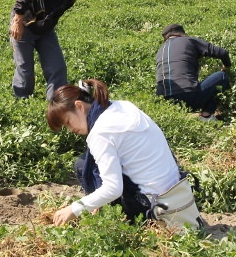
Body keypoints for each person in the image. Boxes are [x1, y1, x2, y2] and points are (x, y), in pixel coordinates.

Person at [46, 79, 203, 232]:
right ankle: (100, 206)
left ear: (79, 106)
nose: (70, 129)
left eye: (68, 122)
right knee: (89, 162)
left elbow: (113, 188)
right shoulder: (121, 106)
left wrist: (75, 208)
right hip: (176, 193)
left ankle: (116, 221)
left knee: (82, 166)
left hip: (154, 207)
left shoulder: (101, 132)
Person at [10, 0, 106, 100]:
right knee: (25, 71)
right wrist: (17, 20)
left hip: (45, 28)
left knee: (57, 68)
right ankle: (21, 104)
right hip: (25, 23)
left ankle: (57, 106)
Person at [156, 23, 231, 121]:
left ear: (166, 38)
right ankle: (206, 116)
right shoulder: (188, 40)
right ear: (182, 34)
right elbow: (223, 53)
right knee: (222, 77)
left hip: (165, 102)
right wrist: (227, 66)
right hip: (189, 98)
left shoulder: (160, 50)